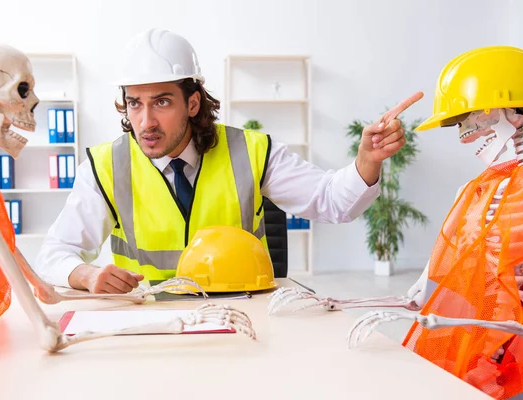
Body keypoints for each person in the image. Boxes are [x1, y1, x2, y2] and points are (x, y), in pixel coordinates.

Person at [34, 28, 422, 294]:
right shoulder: (105, 166)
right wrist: (84, 274)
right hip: (150, 323)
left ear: (192, 102)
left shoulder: (251, 151)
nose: (145, 121)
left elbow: (332, 202)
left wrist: (367, 161)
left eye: (162, 102)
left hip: (242, 318)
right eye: (135, 103)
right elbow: (54, 253)